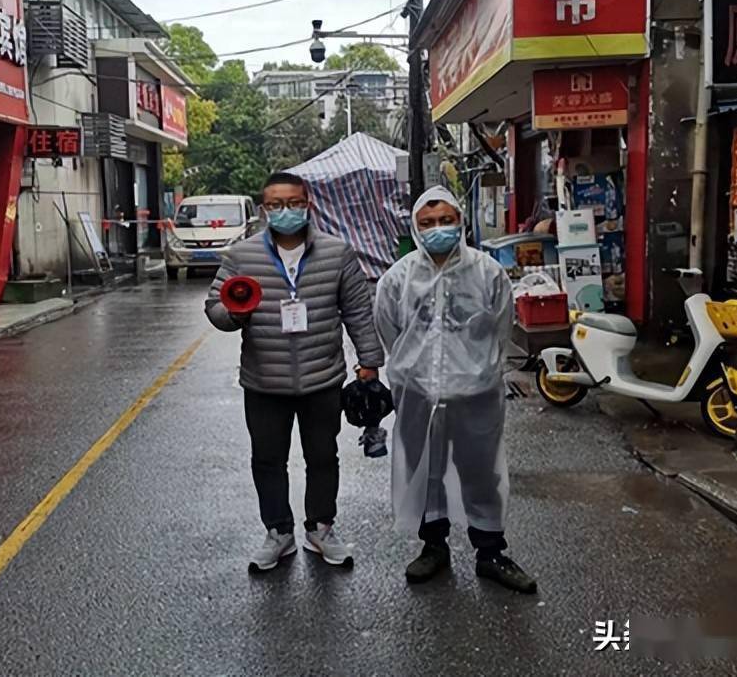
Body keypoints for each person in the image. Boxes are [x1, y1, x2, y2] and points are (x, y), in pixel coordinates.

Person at [206, 172, 384, 574]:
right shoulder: (241, 256)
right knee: (267, 459)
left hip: (322, 377)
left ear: (309, 205)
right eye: (276, 205)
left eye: (294, 203)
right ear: (263, 209)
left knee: (323, 456)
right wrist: (235, 312)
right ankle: (278, 532)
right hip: (264, 380)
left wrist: (369, 361)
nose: (286, 212)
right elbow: (215, 308)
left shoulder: (338, 254)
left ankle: (321, 528)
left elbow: (357, 310)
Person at [374, 185, 536, 594]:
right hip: (418, 394)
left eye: (446, 220)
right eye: (427, 223)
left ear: (461, 221)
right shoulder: (399, 278)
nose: (437, 229)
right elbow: (389, 330)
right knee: (426, 471)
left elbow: (502, 328)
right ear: (414, 226)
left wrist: (478, 371)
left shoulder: (487, 272)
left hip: (477, 394)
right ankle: (433, 546)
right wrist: (415, 371)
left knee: (482, 472)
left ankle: (490, 552)